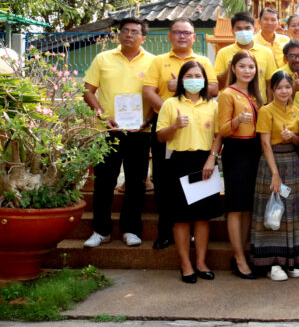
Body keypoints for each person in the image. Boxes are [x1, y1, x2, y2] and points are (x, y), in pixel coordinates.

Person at [142, 18, 218, 250]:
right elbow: (148, 91)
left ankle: (193, 234)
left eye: (187, 33)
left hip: (198, 127)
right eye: (177, 32)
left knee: (197, 183)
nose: (182, 36)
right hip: (168, 127)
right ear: (170, 36)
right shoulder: (158, 61)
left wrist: (181, 89)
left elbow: (214, 88)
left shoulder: (203, 61)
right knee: (164, 182)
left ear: (194, 37)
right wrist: (170, 107)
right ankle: (166, 231)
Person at [82, 18, 155, 248]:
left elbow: (158, 95)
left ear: (143, 38)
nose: (129, 35)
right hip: (107, 130)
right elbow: (88, 91)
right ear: (119, 35)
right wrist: (103, 116)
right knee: (104, 181)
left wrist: (147, 120)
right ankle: (101, 230)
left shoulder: (153, 62)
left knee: (136, 182)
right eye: (125, 30)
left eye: (134, 31)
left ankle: (131, 230)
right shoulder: (103, 58)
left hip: (140, 131)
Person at [154, 61, 221, 283]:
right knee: (181, 218)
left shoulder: (212, 105)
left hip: (205, 162)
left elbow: (219, 135)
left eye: (198, 76)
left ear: (205, 80)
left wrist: (212, 158)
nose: (194, 80)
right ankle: (185, 265)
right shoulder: (170, 104)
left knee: (202, 218)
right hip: (179, 162)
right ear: (181, 80)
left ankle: (201, 262)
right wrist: (174, 126)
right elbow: (160, 136)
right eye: (189, 76)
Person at [251, 70, 299, 280]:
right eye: (279, 88)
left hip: (292, 164)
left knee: (291, 210)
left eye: (287, 87)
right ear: (272, 90)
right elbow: (265, 143)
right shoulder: (266, 110)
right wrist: (275, 173)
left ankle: (290, 260)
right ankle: (273, 263)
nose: (284, 91)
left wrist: (292, 136)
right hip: (271, 165)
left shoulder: (296, 111)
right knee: (273, 209)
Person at [217, 51, 263, 279]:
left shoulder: (255, 94)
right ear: (233, 68)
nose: (247, 70)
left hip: (255, 151)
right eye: (242, 66)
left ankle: (243, 251)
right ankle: (238, 257)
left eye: (251, 67)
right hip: (236, 151)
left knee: (247, 207)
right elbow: (222, 130)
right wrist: (236, 120)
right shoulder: (227, 94)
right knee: (235, 207)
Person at [214, 11, 277, 99]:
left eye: (247, 28)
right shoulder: (223, 53)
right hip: (232, 103)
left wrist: (269, 106)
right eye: (239, 29)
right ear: (232, 31)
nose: (243, 32)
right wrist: (229, 69)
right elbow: (217, 85)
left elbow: (270, 83)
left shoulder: (266, 53)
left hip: (258, 103)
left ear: (255, 30)